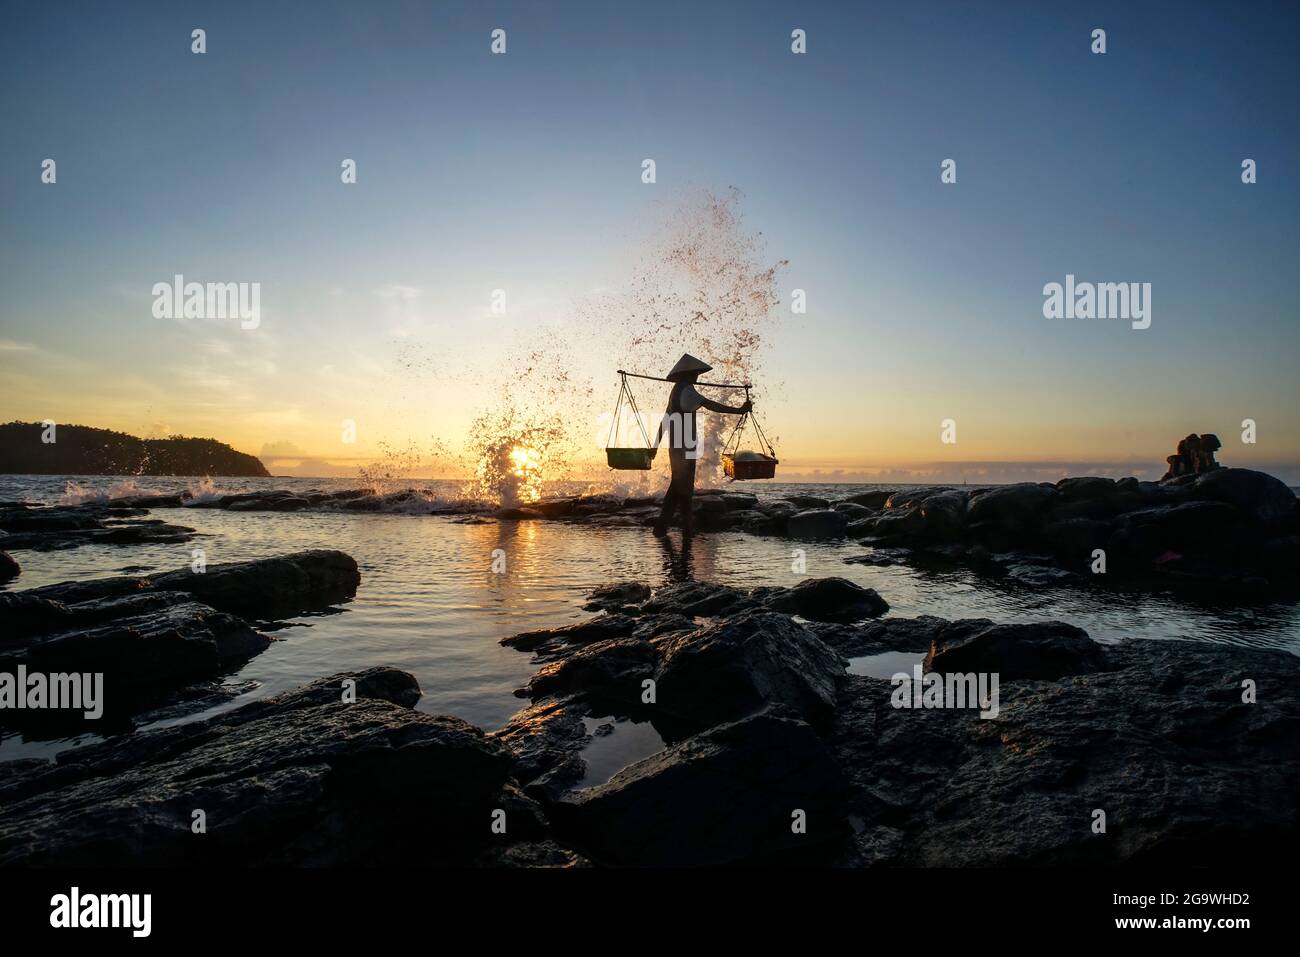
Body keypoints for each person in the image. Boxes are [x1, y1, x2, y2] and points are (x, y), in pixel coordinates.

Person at [651, 354, 751, 536]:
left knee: (678, 486)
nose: (697, 376)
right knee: (684, 488)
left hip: (676, 445)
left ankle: (666, 528)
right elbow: (710, 405)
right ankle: (682, 529)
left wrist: (655, 445)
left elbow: (665, 420)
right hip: (684, 446)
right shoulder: (688, 391)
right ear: (689, 374)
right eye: (695, 373)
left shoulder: (676, 391)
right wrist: (738, 411)